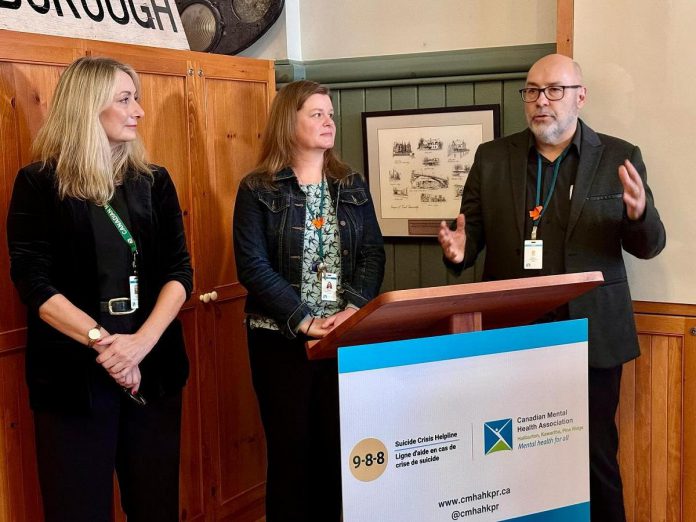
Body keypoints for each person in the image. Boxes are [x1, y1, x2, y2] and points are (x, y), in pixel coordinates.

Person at [438, 54, 665, 521]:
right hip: (512, 337)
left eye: (554, 90)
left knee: (594, 457)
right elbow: (471, 234)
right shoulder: (492, 158)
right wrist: (458, 251)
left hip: (590, 339)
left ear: (580, 97)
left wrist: (640, 214)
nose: (541, 101)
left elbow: (648, 247)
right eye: (532, 90)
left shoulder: (619, 156)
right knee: (510, 456)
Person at [7, 57, 192, 522]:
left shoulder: (154, 182)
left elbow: (179, 273)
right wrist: (106, 346)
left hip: (153, 374)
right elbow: (33, 281)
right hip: (74, 381)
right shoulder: (39, 183)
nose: (139, 111)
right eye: (125, 99)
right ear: (87, 107)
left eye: (137, 99)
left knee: (155, 507)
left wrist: (139, 346)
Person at [233, 80, 385, 521]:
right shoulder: (259, 189)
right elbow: (253, 267)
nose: (328, 122)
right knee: (292, 455)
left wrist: (353, 311)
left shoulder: (350, 183)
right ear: (288, 122)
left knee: (340, 451)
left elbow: (373, 252)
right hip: (281, 340)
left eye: (330, 113)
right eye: (316, 114)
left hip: (344, 337)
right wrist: (303, 319)